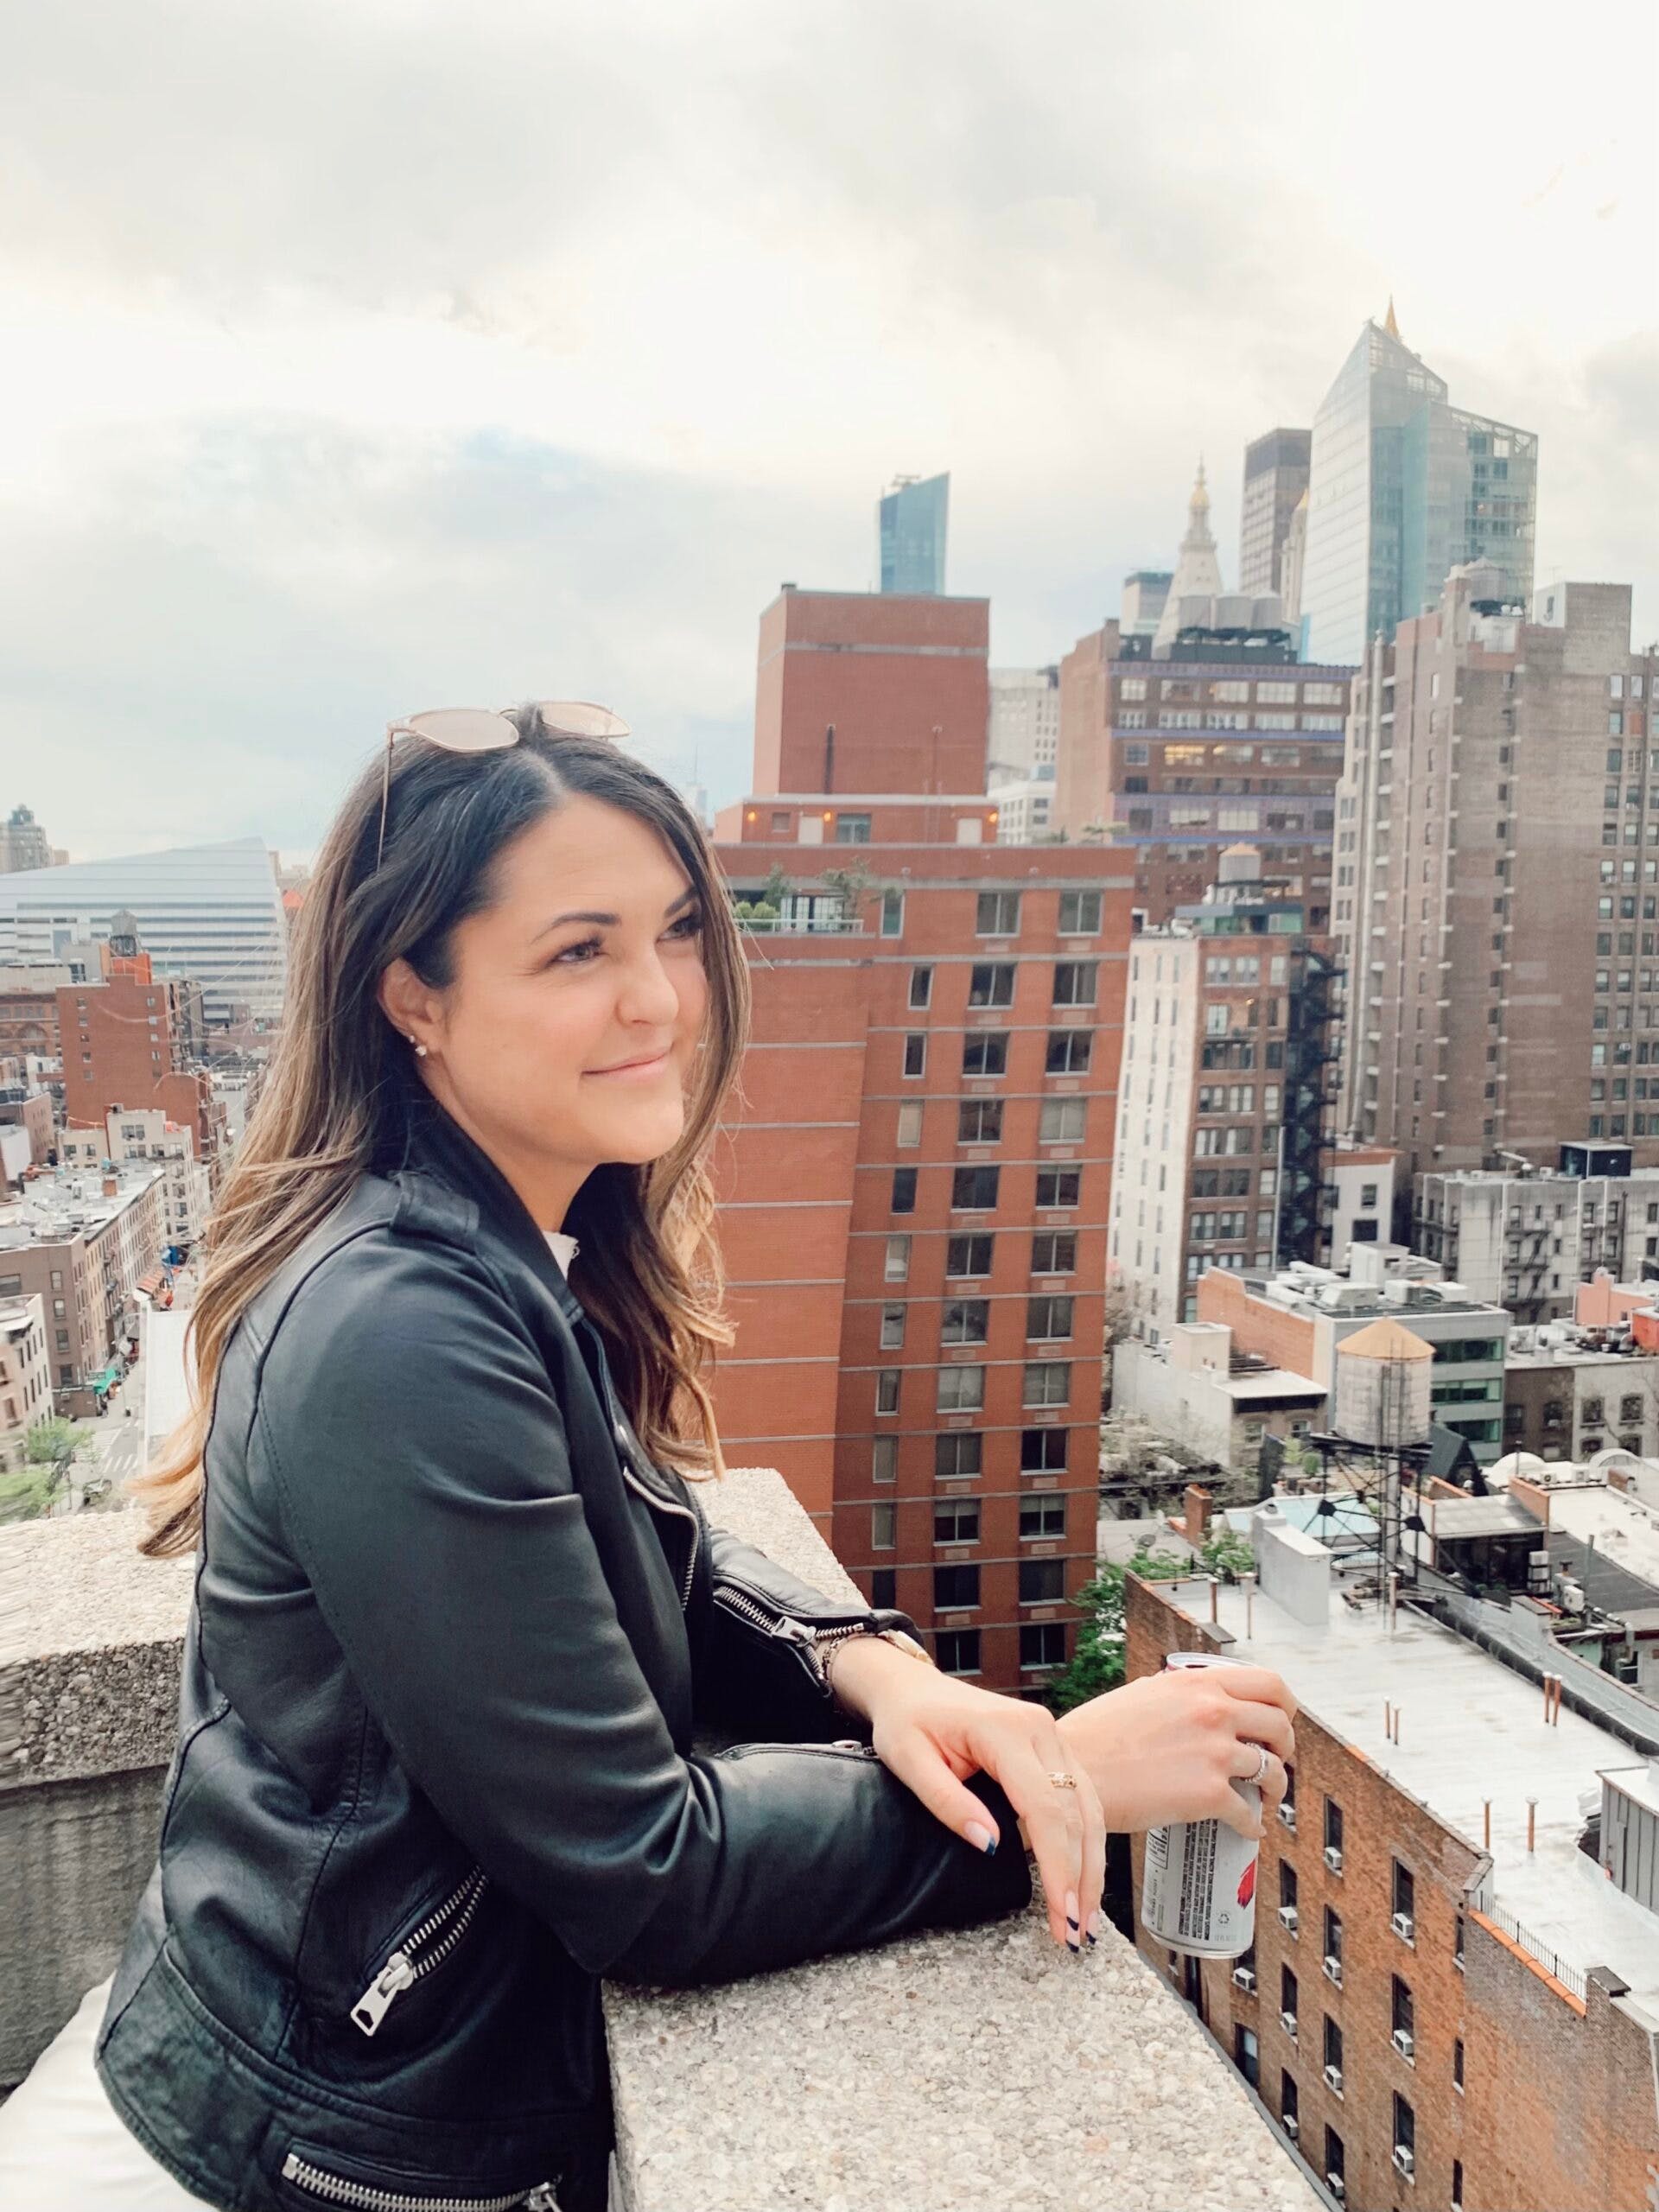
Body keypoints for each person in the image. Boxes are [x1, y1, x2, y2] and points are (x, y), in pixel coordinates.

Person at [0, 702, 1295, 2210]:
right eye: (578, 951)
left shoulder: (501, 1247)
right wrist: (1060, 1785)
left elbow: (639, 1548)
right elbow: (645, 1873)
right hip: (299, 2152)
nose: (659, 998)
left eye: (676, 931)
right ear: (414, 998)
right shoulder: (400, 1331)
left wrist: (874, 1670)